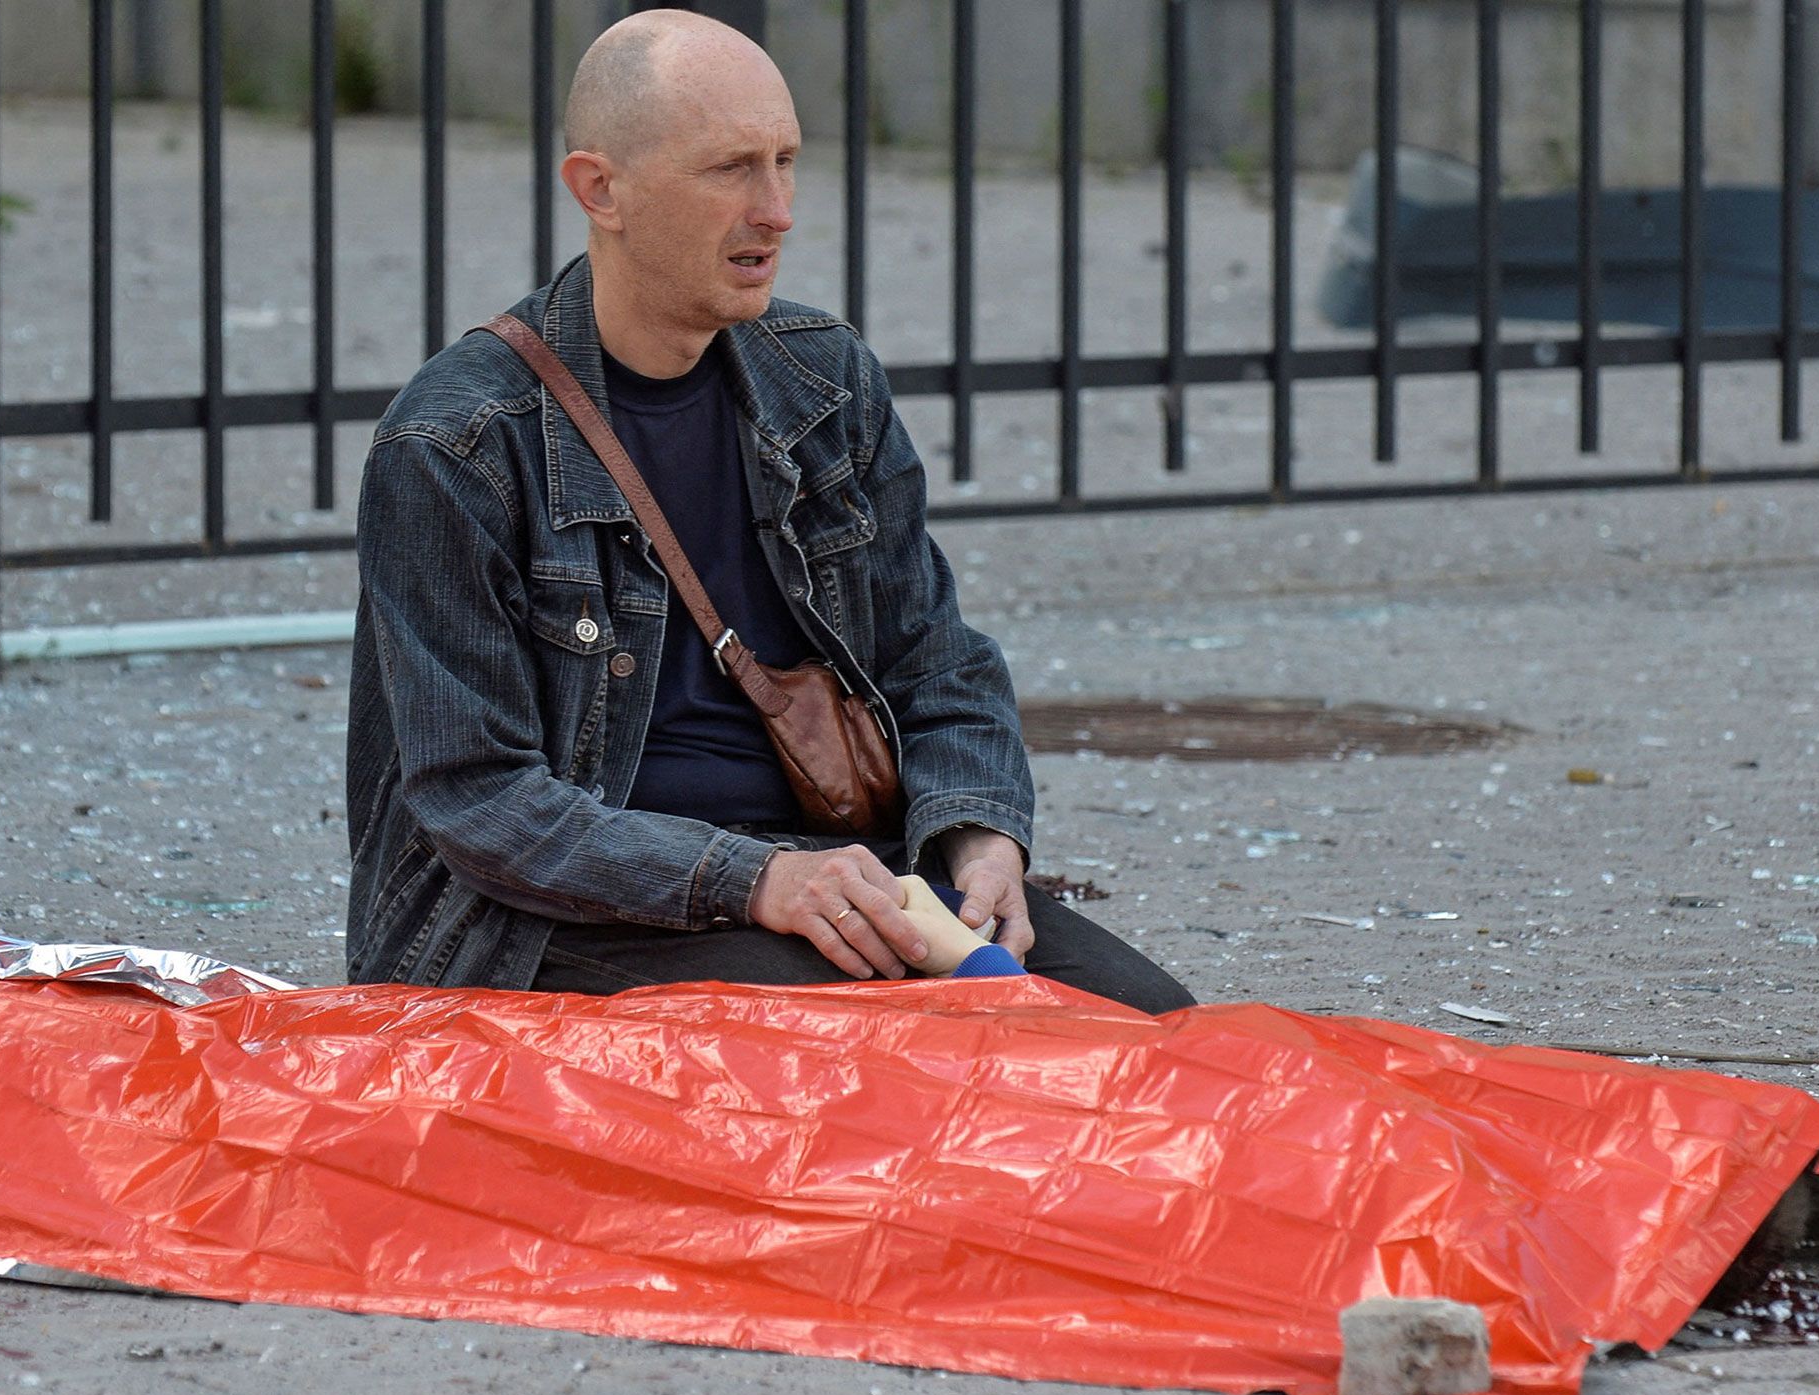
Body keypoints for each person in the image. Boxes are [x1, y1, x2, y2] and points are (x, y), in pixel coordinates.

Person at [344, 10, 1193, 1015]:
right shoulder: (455, 442)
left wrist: (979, 837)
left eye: (787, 160)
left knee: (1161, 1034)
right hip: (545, 923)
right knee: (919, 1055)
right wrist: (754, 879)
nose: (778, 209)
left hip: (837, 871)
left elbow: (934, 658)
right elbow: (481, 803)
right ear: (599, 189)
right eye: (731, 169)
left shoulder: (821, 377)